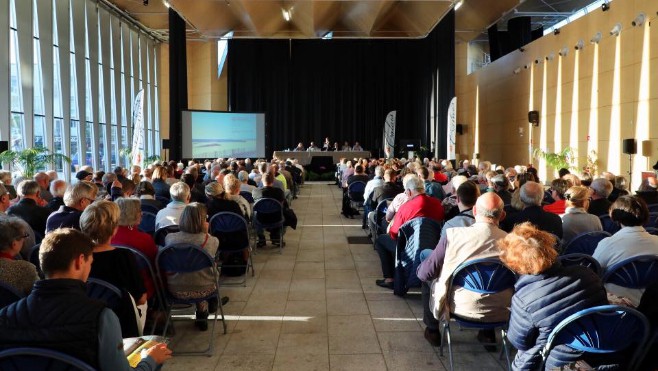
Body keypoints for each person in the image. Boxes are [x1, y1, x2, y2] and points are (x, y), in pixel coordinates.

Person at [0, 228, 172, 370]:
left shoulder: (5, 316)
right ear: (79, 261)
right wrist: (150, 360)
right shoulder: (101, 317)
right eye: (90, 262)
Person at [499, 223, 608, 370]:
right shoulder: (587, 274)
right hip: (599, 349)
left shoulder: (523, 300)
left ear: (515, 263)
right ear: (549, 245)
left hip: (554, 360)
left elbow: (520, 342)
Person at [417, 192, 510, 348]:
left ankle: (432, 331)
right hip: (501, 309)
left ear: (474, 211)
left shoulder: (453, 235)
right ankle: (488, 334)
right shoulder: (512, 242)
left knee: (428, 276)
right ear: (502, 215)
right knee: (494, 282)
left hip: (458, 306)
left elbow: (425, 273)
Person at [80, 201, 147, 335]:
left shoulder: (78, 258)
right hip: (120, 322)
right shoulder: (124, 256)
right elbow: (141, 299)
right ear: (114, 229)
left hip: (83, 318)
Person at [164, 202, 227, 331]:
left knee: (190, 271)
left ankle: (203, 311)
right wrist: (205, 233)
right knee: (204, 271)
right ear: (203, 220)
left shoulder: (169, 239)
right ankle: (205, 308)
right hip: (205, 289)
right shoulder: (211, 241)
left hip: (175, 289)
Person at [374, 174, 444, 289]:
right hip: (433, 244)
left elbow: (394, 233)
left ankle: (389, 278)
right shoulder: (437, 203)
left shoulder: (406, 207)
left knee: (381, 240)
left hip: (408, 247)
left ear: (409, 192)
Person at [593, 196, 658, 306]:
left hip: (618, 308)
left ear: (615, 217)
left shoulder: (607, 244)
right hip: (653, 305)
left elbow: (594, 272)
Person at [112, 198, 158, 301]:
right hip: (140, 288)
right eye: (139, 211)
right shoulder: (144, 239)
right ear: (134, 215)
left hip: (112, 287)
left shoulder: (107, 236)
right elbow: (155, 267)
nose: (141, 214)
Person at [0, 217, 39, 295]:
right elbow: (37, 296)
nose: (24, 240)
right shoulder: (25, 269)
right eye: (23, 236)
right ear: (14, 244)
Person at [252, 172, 288, 247]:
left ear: (262, 181)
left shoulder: (256, 192)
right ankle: (276, 237)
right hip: (277, 219)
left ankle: (261, 238)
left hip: (260, 219)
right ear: (273, 181)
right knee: (286, 214)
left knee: (254, 214)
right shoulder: (279, 192)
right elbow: (284, 205)